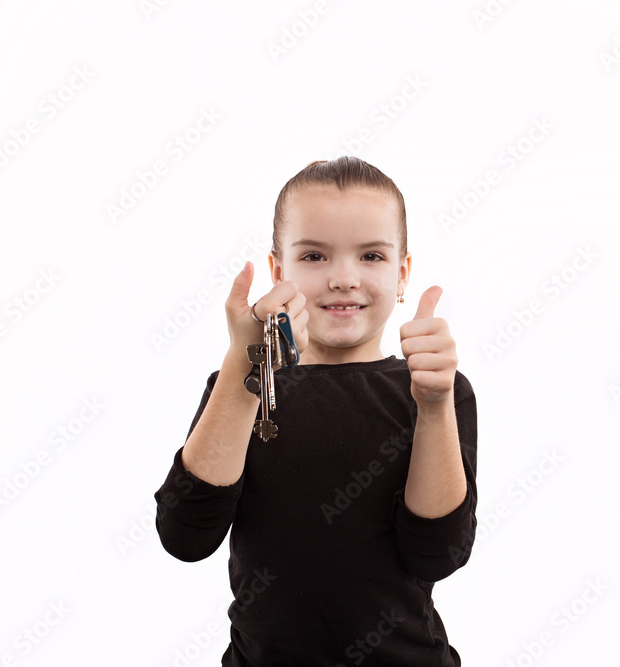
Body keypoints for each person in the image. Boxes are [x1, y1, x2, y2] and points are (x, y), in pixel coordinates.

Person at [153, 156, 478, 666]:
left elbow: (437, 553)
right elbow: (185, 535)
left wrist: (434, 408)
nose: (343, 278)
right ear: (278, 273)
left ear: (402, 274)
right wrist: (244, 366)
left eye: (371, 255)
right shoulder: (242, 387)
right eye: (314, 256)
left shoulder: (435, 390)